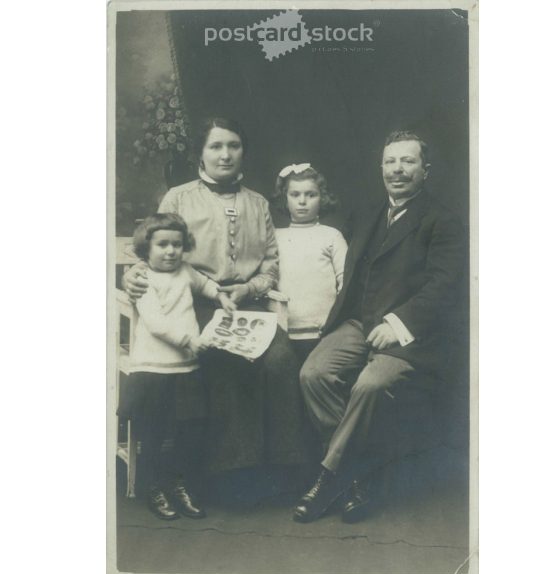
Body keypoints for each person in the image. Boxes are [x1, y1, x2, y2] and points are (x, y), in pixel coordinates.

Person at [294, 130, 466, 523]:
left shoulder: (443, 221)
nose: (397, 170)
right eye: (390, 162)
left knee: (370, 385)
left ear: (426, 169)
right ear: (381, 168)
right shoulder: (368, 214)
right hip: (361, 322)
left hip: (412, 336)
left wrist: (398, 323)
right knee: (314, 373)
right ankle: (358, 478)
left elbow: (444, 288)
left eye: (408, 161)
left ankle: (328, 479)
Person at [123, 117, 307, 477]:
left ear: (243, 152)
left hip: (249, 306)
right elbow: (150, 246)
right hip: (194, 307)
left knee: (282, 359)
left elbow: (270, 266)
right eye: (216, 146)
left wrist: (249, 288)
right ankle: (234, 474)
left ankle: (286, 468)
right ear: (201, 153)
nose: (225, 155)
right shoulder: (179, 197)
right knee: (228, 358)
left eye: (233, 146)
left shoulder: (258, 203)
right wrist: (134, 273)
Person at [118, 213, 235, 520]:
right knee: (154, 433)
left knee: (188, 432)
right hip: (154, 369)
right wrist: (189, 340)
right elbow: (156, 323)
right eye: (162, 245)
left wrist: (220, 296)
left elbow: (204, 283)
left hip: (185, 368)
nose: (170, 251)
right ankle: (154, 488)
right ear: (147, 247)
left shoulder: (185, 271)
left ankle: (179, 484)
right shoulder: (144, 279)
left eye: (177, 245)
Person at [273, 163, 348, 363]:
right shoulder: (275, 237)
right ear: (284, 198)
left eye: (311, 195)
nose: (302, 201)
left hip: (324, 333)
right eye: (295, 195)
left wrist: (334, 324)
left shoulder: (331, 236)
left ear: (322, 197)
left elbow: (345, 281)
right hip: (284, 335)